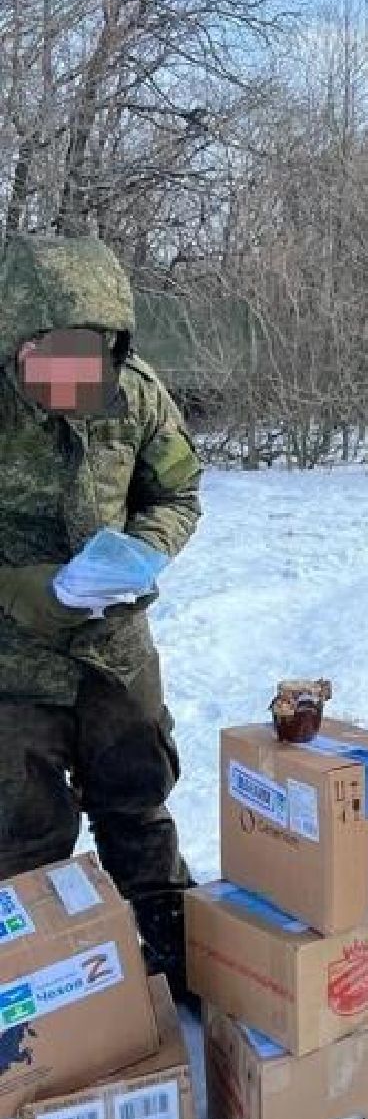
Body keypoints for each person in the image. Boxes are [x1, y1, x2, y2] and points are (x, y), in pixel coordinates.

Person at [0, 234, 202, 997]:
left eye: (90, 356)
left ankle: (174, 956)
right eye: (49, 357)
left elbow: (177, 494)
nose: (71, 378)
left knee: (139, 810)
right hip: (14, 668)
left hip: (116, 654)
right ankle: (52, 996)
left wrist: (143, 552)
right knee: (23, 845)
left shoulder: (138, 393)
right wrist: (19, 587)